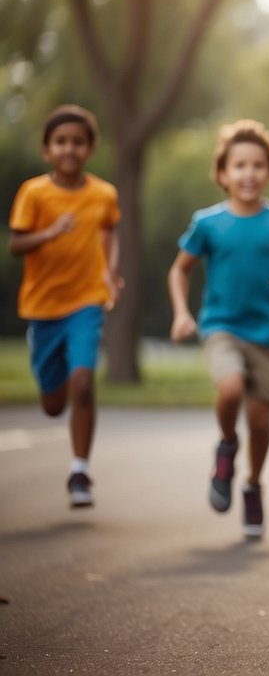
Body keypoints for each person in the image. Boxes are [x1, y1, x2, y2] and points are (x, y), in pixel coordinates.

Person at [168, 120, 269, 539]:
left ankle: (252, 484)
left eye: (258, 165)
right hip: (220, 324)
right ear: (223, 173)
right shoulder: (207, 223)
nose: (249, 173)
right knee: (229, 390)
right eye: (239, 165)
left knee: (260, 421)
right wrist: (180, 313)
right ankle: (227, 446)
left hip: (268, 330)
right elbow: (179, 271)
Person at [8, 105, 121, 508]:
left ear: (89, 149)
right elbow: (15, 244)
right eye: (60, 142)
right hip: (42, 307)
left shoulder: (103, 194)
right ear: (47, 150)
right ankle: (46, 367)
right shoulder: (34, 193)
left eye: (77, 141)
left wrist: (109, 274)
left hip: (87, 301)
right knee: (54, 404)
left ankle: (79, 470)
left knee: (84, 383)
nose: (69, 149)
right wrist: (51, 232)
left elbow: (108, 232)